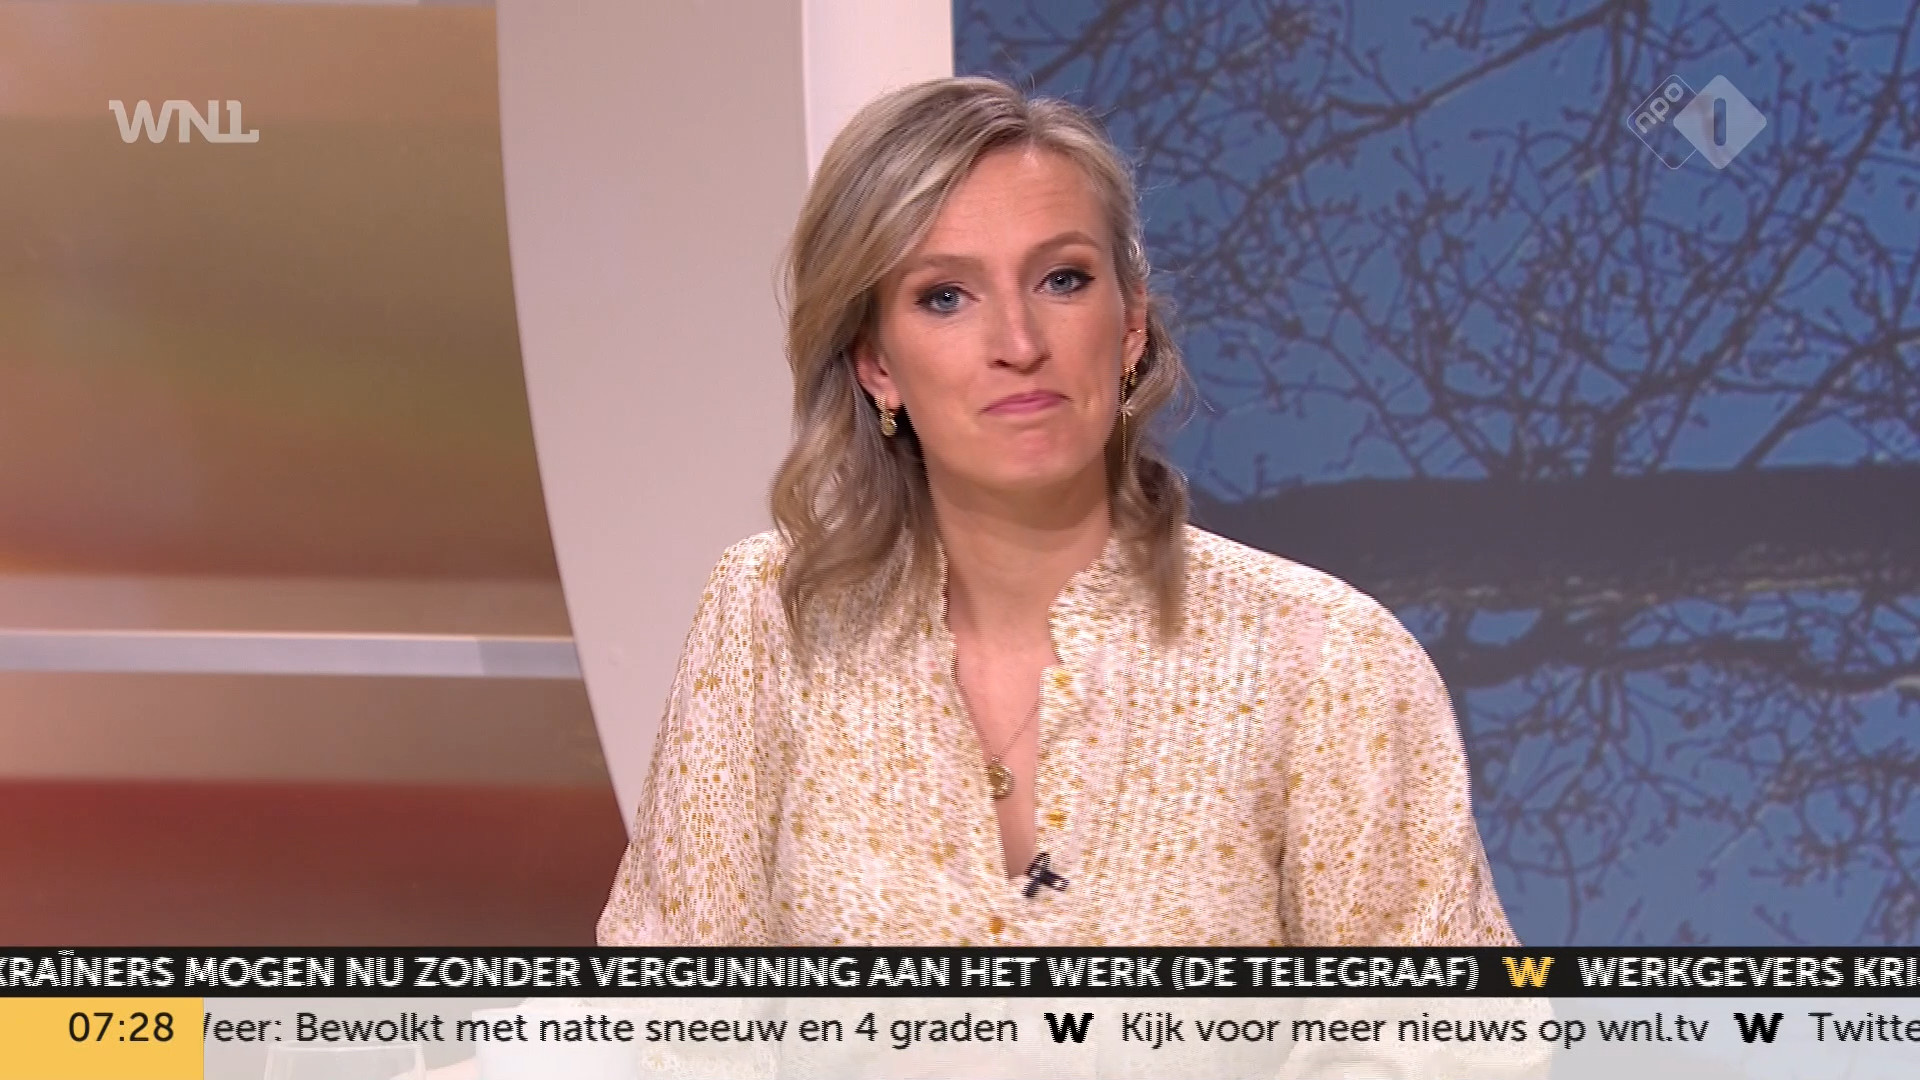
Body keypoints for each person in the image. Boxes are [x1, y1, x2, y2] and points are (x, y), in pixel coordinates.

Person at [595, 75, 1517, 949]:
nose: (1019, 342)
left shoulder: (1329, 662)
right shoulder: (771, 612)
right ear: (876, 363)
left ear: (1130, 325)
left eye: (1062, 280)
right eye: (945, 296)